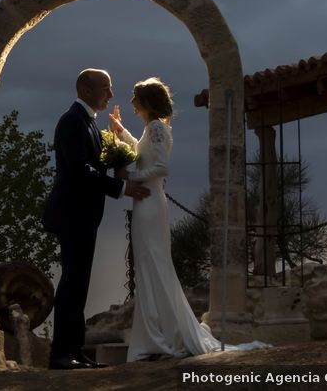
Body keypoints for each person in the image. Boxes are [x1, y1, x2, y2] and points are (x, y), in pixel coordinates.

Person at [110, 77, 267, 361]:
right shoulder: (152, 129)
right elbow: (143, 153)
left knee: (154, 265)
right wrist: (121, 133)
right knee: (150, 266)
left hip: (149, 202)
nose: (132, 102)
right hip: (146, 202)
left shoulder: (157, 128)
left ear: (146, 102)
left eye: (135, 98)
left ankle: (162, 335)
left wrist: (129, 177)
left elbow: (160, 166)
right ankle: (159, 332)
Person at [41, 68, 152, 370]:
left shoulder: (88, 122)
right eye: (106, 88)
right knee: (72, 284)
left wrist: (117, 146)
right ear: (87, 90)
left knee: (79, 285)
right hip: (72, 215)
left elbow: (97, 162)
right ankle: (62, 353)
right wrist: (121, 187)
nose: (111, 94)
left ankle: (75, 350)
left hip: (84, 216)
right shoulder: (72, 121)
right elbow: (80, 169)